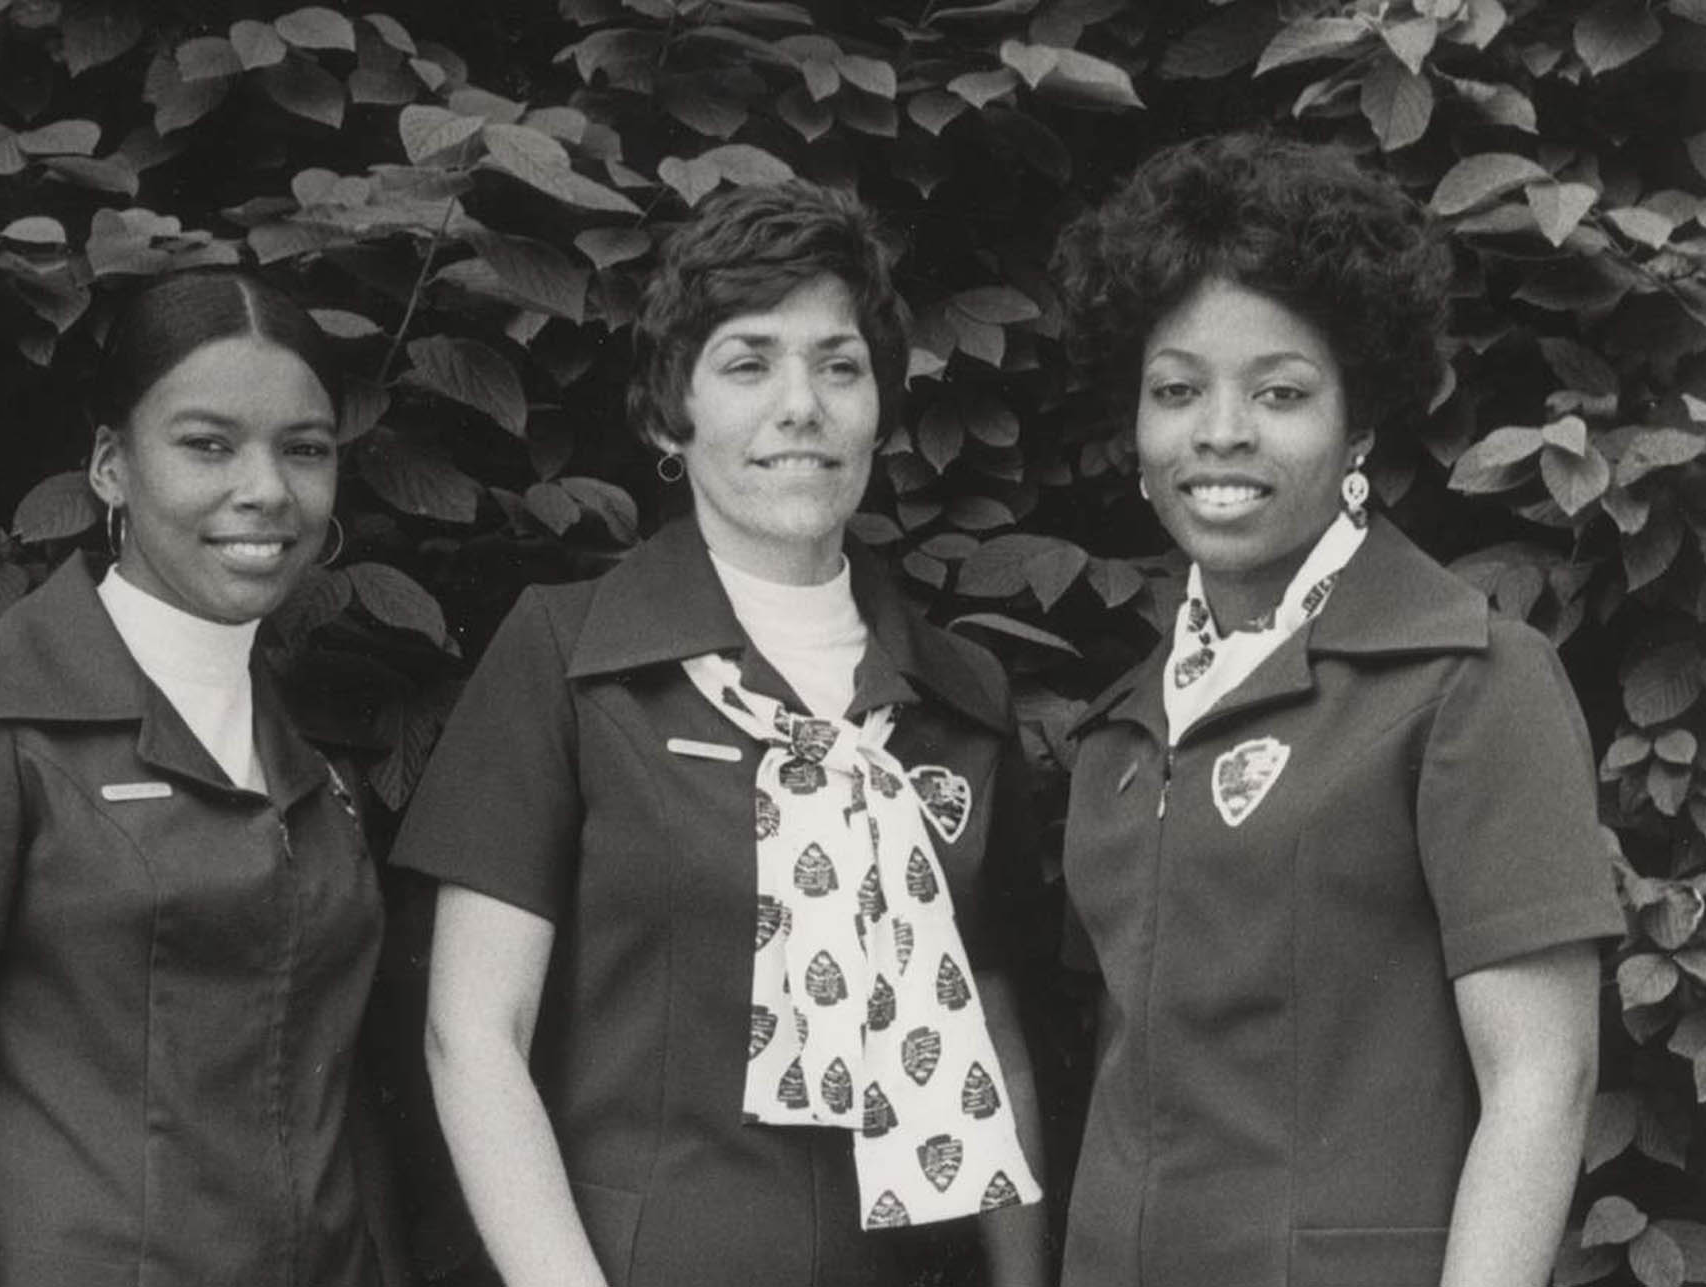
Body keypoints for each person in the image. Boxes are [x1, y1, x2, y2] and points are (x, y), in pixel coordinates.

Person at [393, 181, 1050, 1287]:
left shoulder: (959, 700)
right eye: (747, 364)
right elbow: (473, 1037)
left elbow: (993, 1041)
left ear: (878, 405)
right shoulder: (564, 657)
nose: (800, 405)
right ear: (668, 413)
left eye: (838, 366)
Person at [1046, 133, 1624, 1287]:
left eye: (1278, 392)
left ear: (1356, 425)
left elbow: (1539, 1083)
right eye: (1175, 391)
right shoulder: (1119, 728)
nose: (1219, 431)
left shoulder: (1468, 680)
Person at [0, 271, 394, 1287]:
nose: (266, 488)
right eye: (207, 444)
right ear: (108, 466)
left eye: (304, 449)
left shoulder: (307, 764)